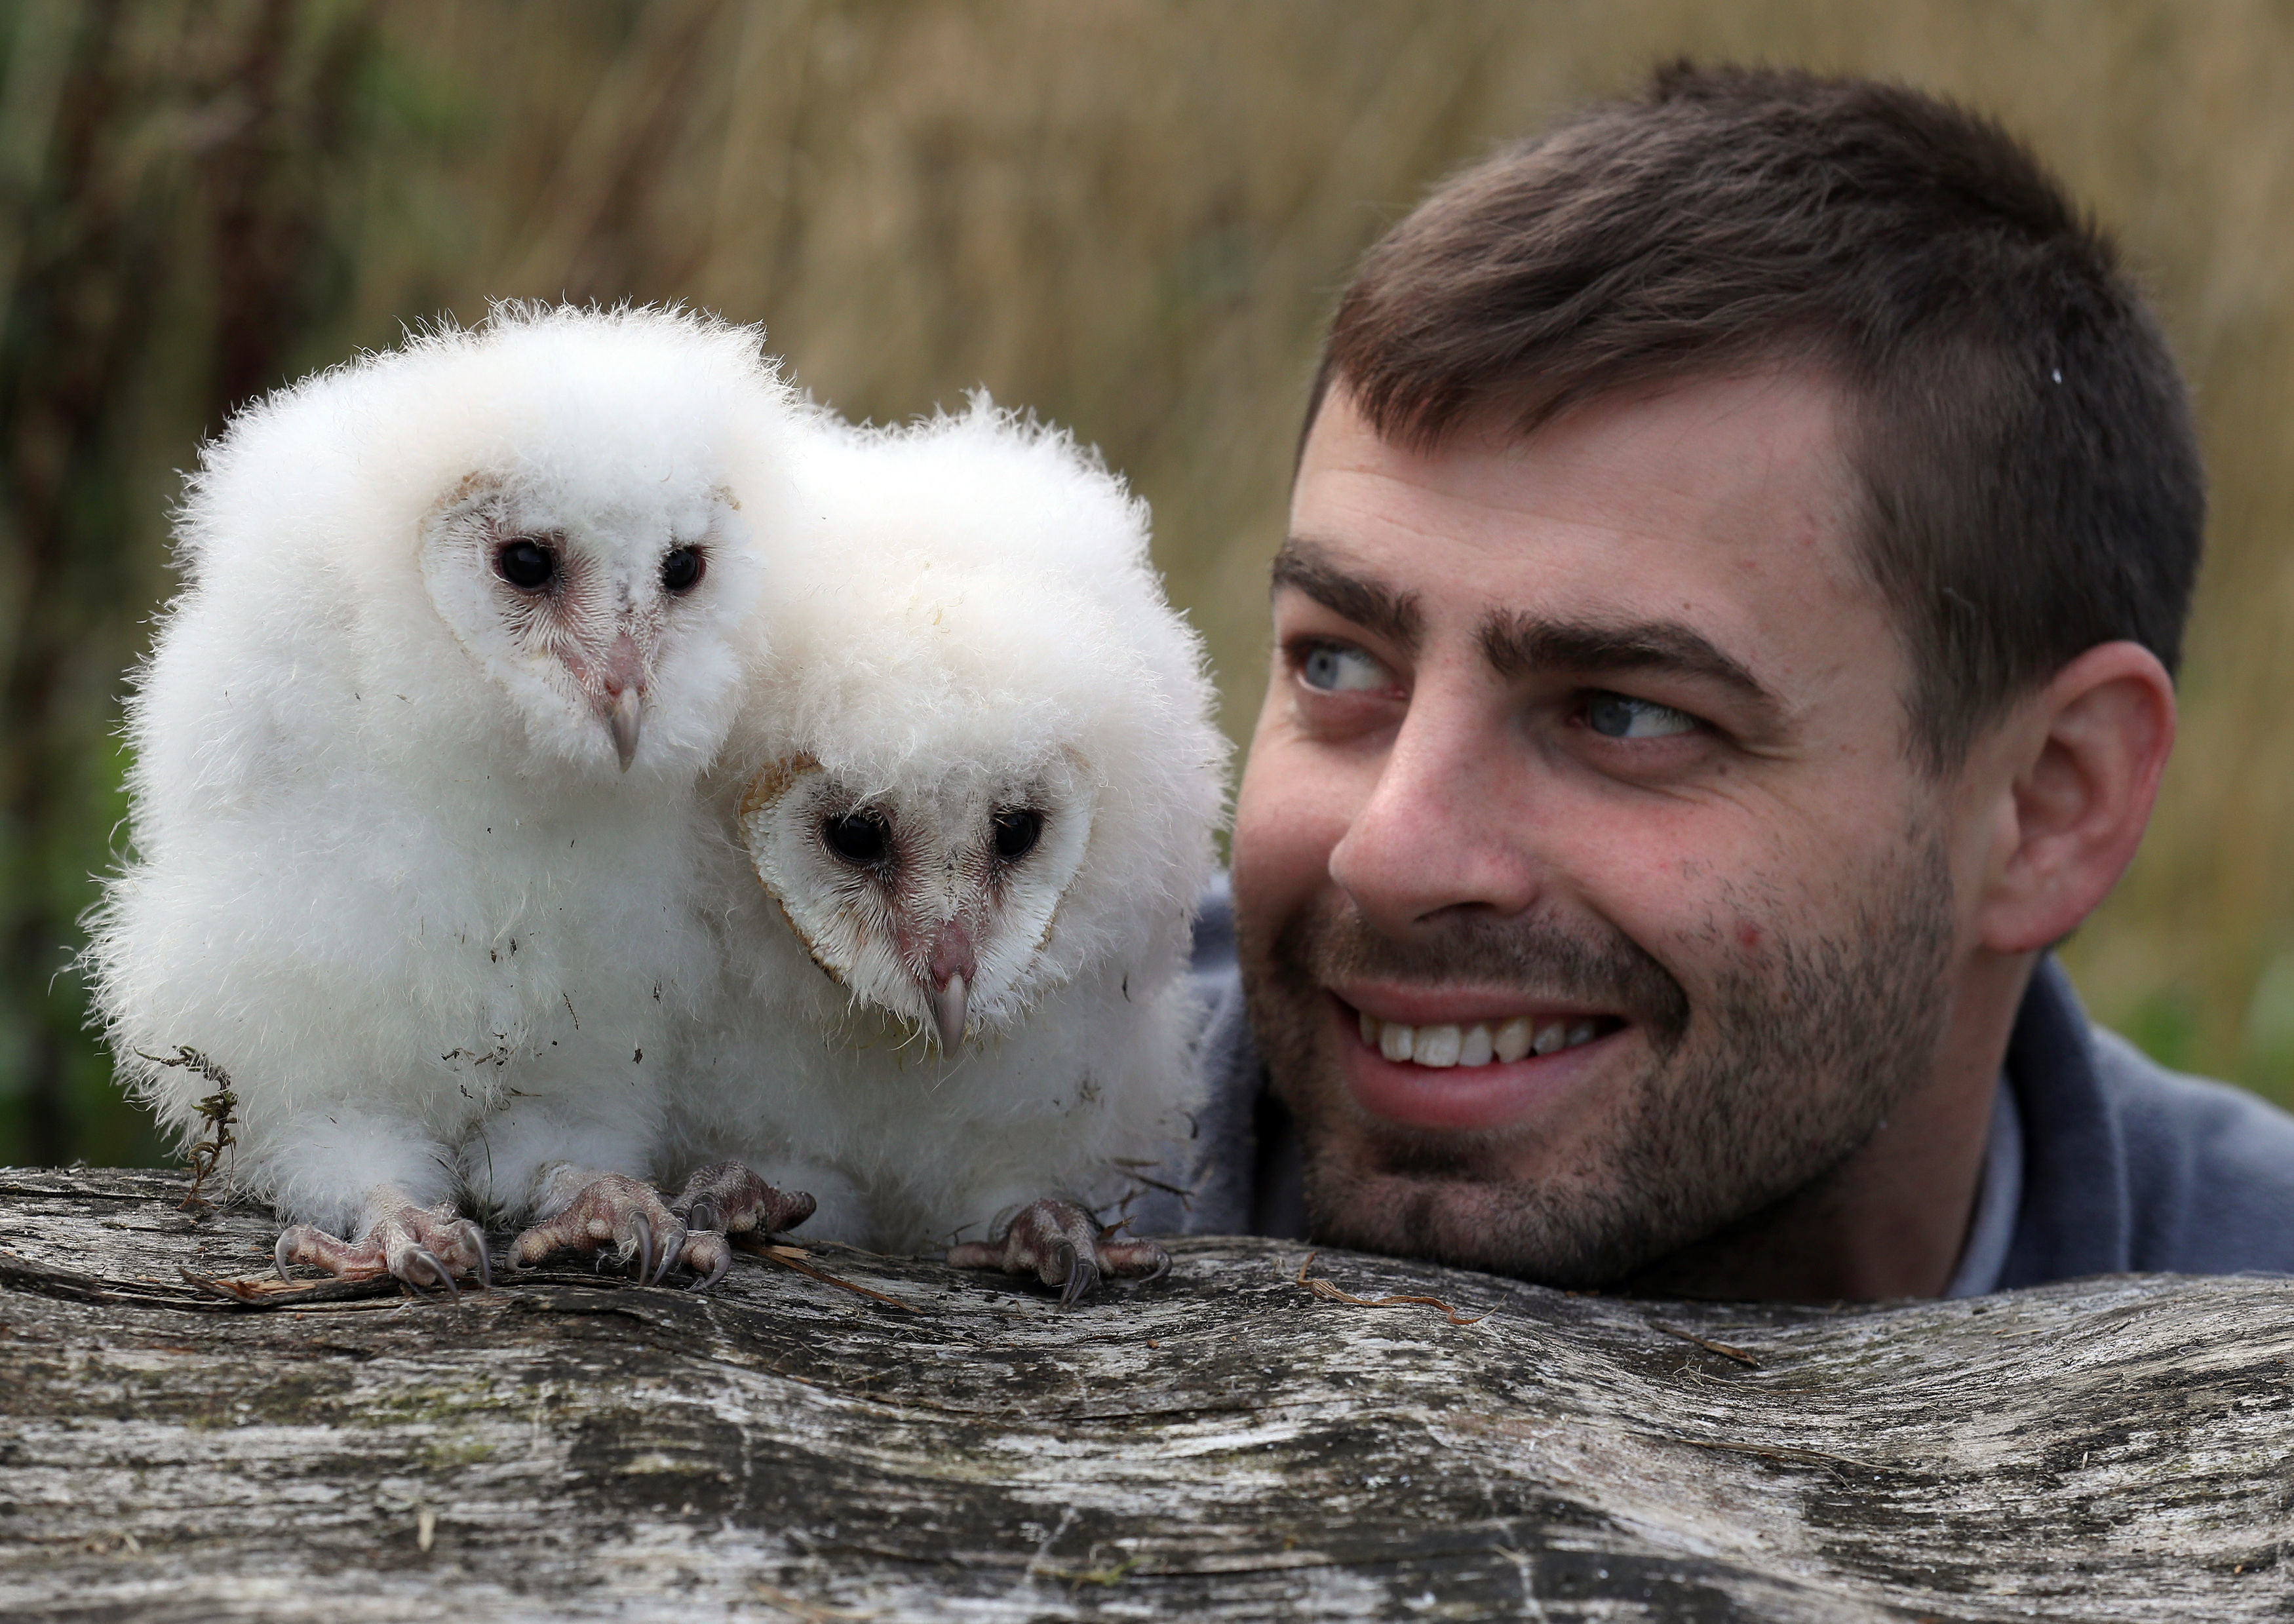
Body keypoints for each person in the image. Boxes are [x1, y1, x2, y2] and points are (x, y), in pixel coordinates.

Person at [1171, 64, 2294, 1302]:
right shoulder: (942, 1164)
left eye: (1624, 711)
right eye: (1338, 664)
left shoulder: (2260, 1294)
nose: (1388, 854)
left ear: (2048, 802)